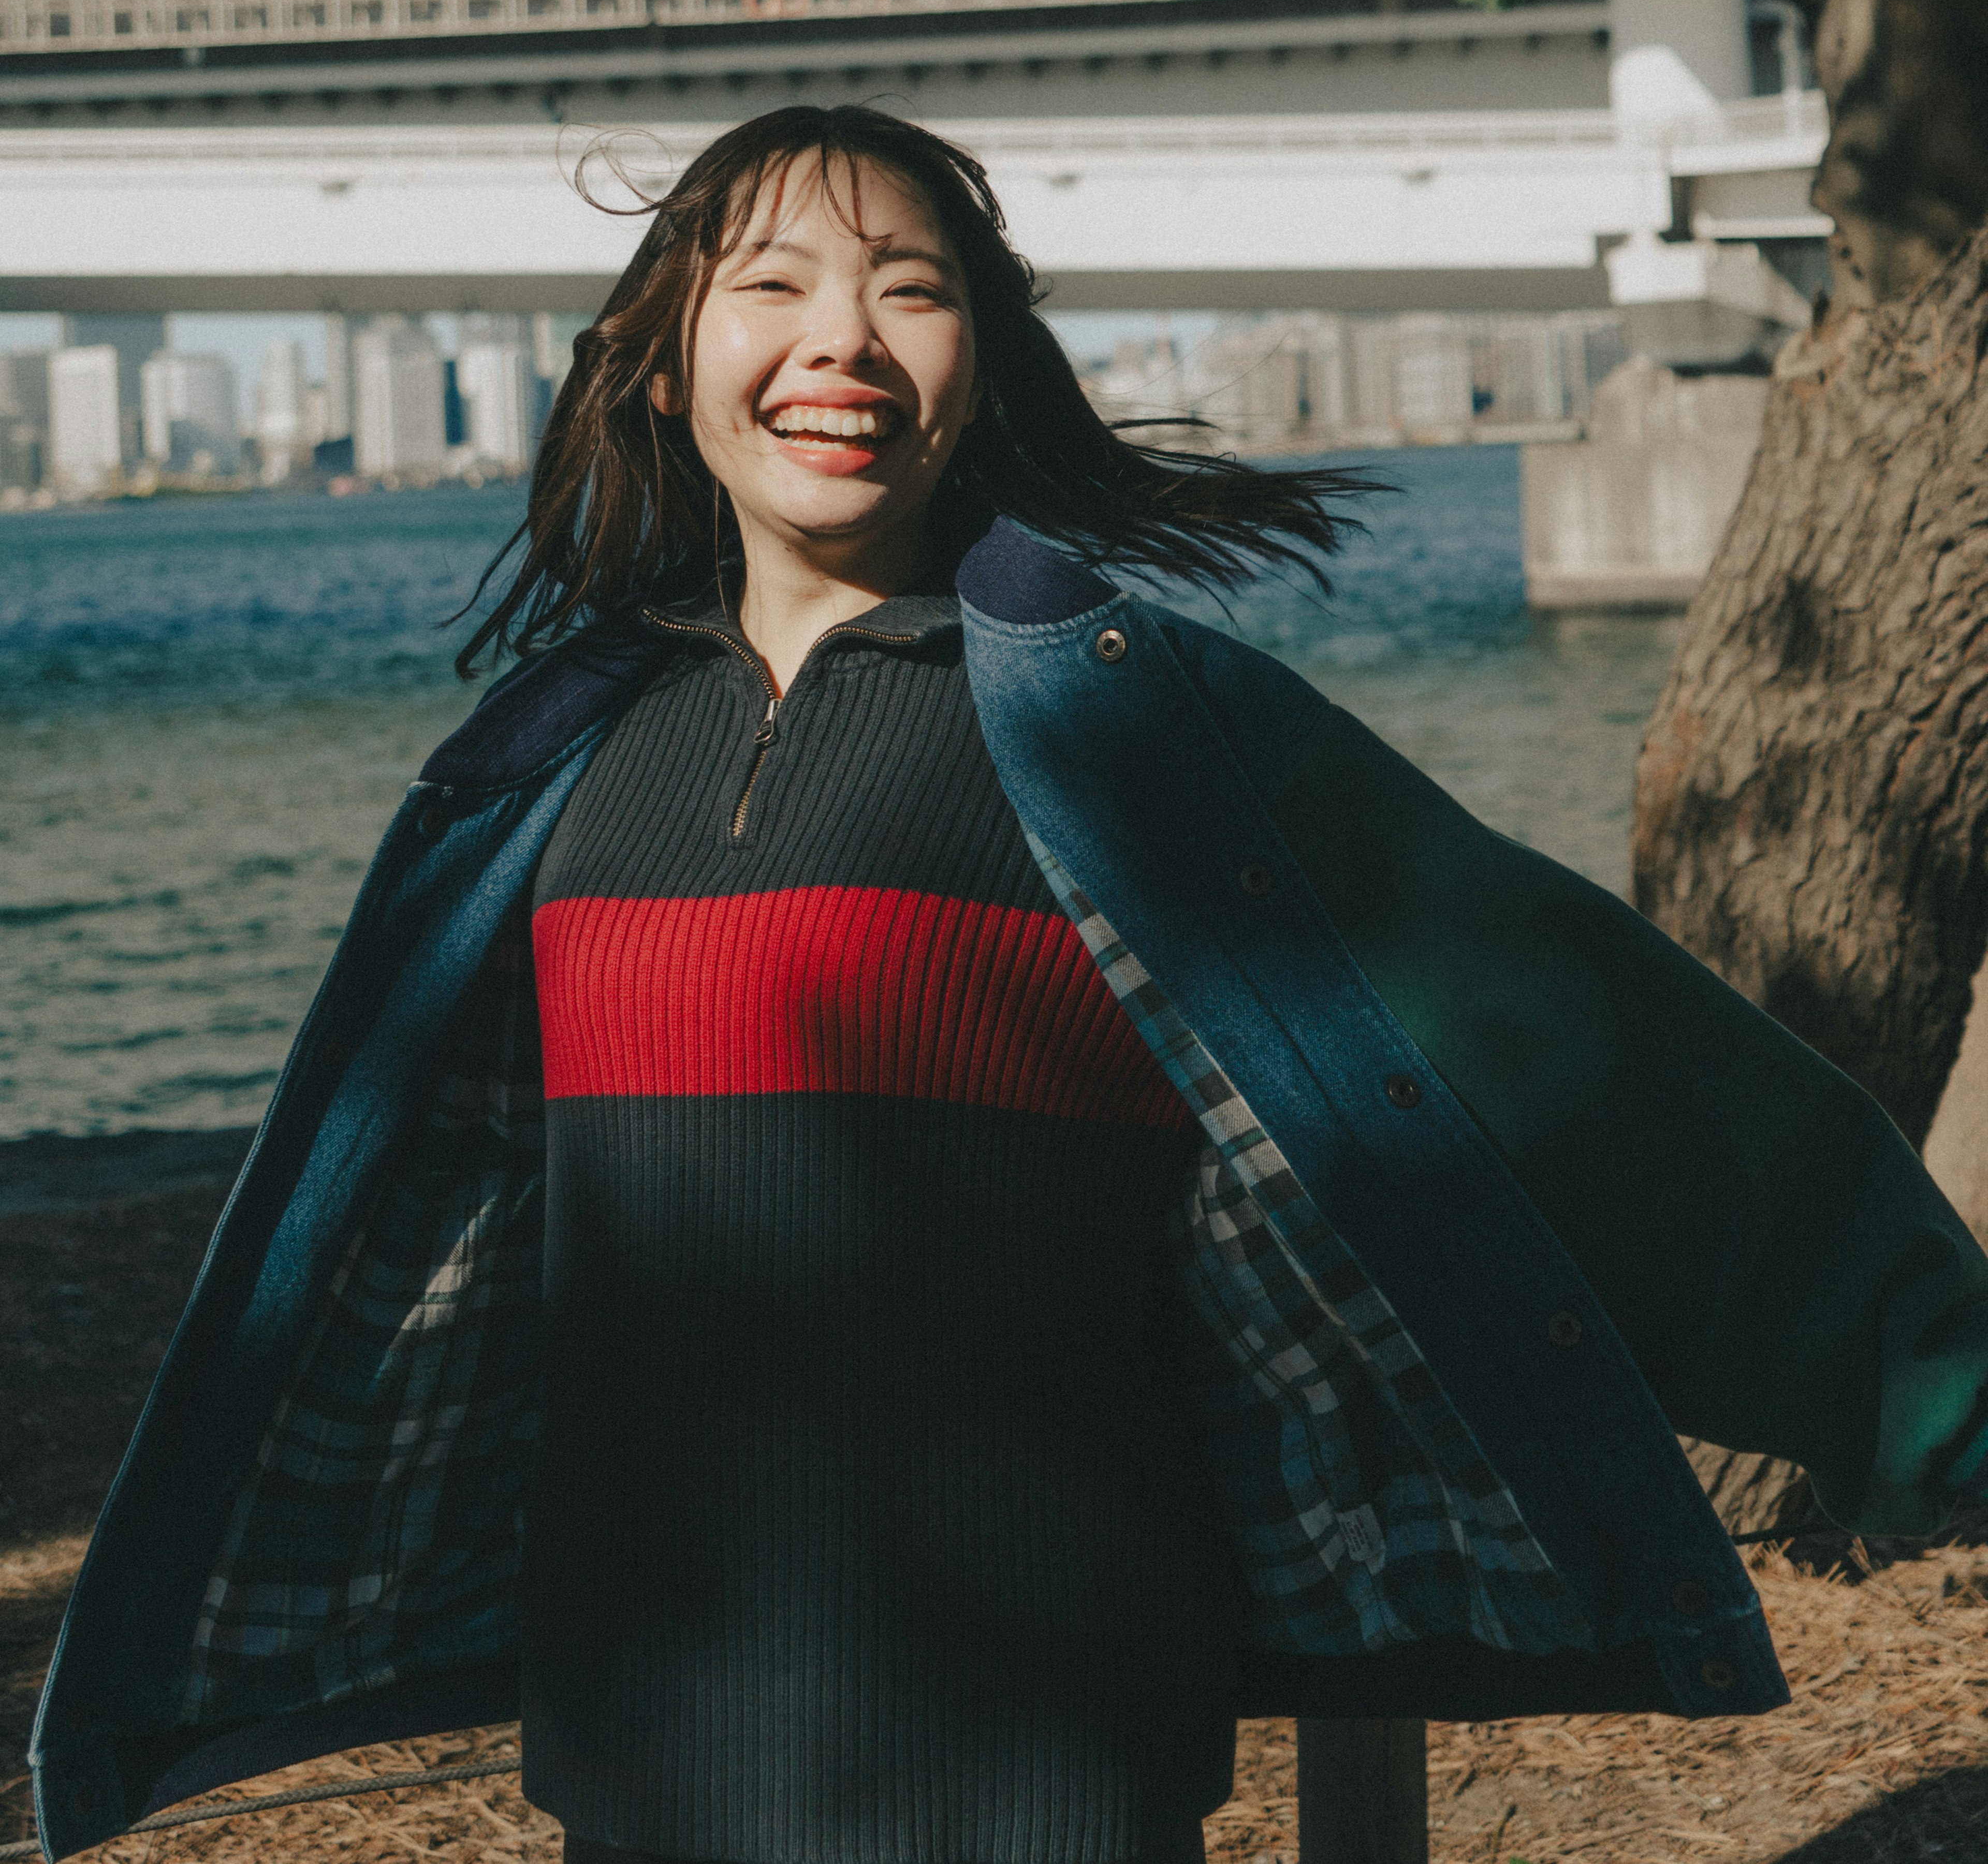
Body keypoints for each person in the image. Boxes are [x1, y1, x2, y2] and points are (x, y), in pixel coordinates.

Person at [32, 107, 1988, 1864]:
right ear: (661, 359)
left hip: (1048, 1743)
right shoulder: (546, 776)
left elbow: (1581, 1058)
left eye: (912, 289)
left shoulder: (1126, 738)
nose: (842, 343)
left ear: (986, 360)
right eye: (772, 283)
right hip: (637, 1738)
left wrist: (1934, 1388)